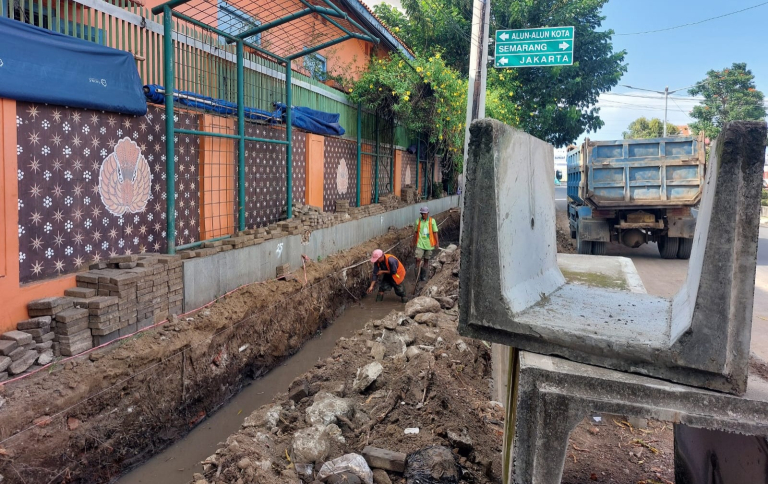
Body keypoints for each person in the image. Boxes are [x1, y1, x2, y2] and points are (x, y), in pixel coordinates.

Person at [413, 206, 439, 282]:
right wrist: (412, 242)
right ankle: (417, 275)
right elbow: (415, 233)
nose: (423, 215)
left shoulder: (432, 221)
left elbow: (435, 232)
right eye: (422, 214)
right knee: (418, 259)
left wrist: (437, 243)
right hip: (420, 243)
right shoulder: (418, 221)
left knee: (426, 260)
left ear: (428, 213)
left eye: (424, 214)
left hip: (429, 244)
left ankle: (423, 276)